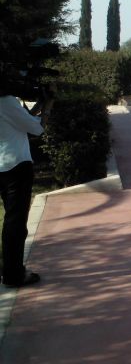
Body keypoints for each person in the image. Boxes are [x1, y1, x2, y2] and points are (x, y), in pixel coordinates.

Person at [0, 80, 54, 287]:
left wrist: (39, 104)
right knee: (15, 223)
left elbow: (21, 120)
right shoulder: (6, 102)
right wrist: (48, 106)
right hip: (15, 167)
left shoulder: (8, 104)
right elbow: (36, 128)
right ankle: (14, 274)